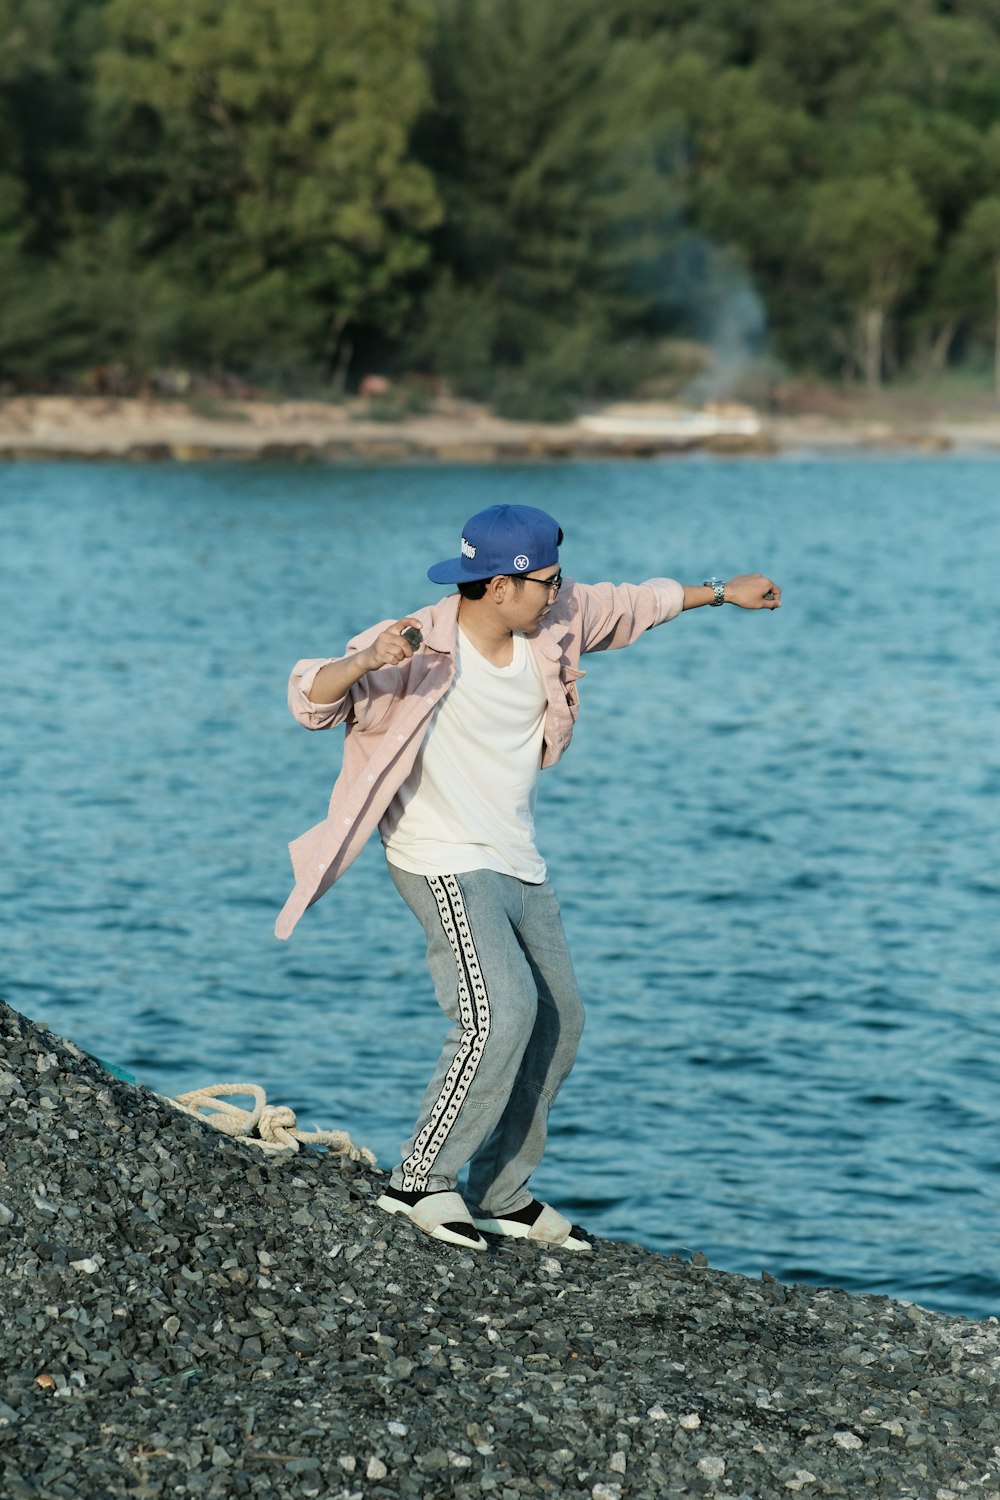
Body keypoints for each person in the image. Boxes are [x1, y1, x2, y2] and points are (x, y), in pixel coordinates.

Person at [277, 504, 780, 1253]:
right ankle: (419, 1180)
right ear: (497, 585)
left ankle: (500, 1192)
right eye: (545, 581)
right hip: (438, 853)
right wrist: (362, 664)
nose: (559, 592)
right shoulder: (412, 642)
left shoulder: (552, 621)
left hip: (517, 859)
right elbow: (310, 701)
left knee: (559, 1021)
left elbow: (634, 603)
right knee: (497, 1013)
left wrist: (719, 591)